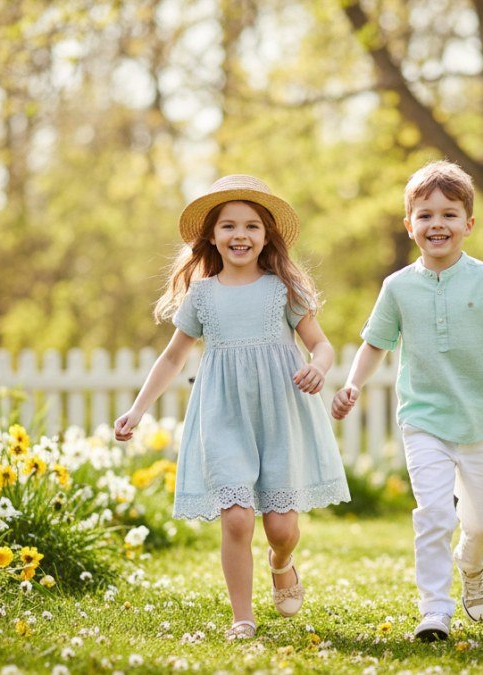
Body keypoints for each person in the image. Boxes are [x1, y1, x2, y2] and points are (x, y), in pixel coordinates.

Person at [114, 174, 350, 641]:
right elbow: (173, 357)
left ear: (266, 237)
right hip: (222, 414)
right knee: (238, 516)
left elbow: (321, 345)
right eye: (228, 226)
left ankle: (281, 562)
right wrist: (139, 409)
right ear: (212, 236)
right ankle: (242, 616)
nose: (240, 235)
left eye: (251, 227)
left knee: (281, 528)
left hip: (281, 413)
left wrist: (319, 368)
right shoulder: (202, 295)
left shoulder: (282, 288)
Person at [331, 160, 483, 642]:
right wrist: (353, 384)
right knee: (435, 514)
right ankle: (434, 611)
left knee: (482, 523)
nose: (436, 224)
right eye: (424, 215)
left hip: (482, 419)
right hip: (423, 420)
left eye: (448, 214)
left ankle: (473, 563)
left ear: (469, 224)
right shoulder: (397, 287)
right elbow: (375, 344)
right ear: (409, 226)